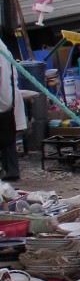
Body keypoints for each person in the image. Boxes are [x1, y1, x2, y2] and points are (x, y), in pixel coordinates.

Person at [0, 38, 26, 182]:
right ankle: (10, 170)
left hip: (4, 98)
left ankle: (10, 171)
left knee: (6, 134)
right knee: (7, 135)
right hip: (7, 97)